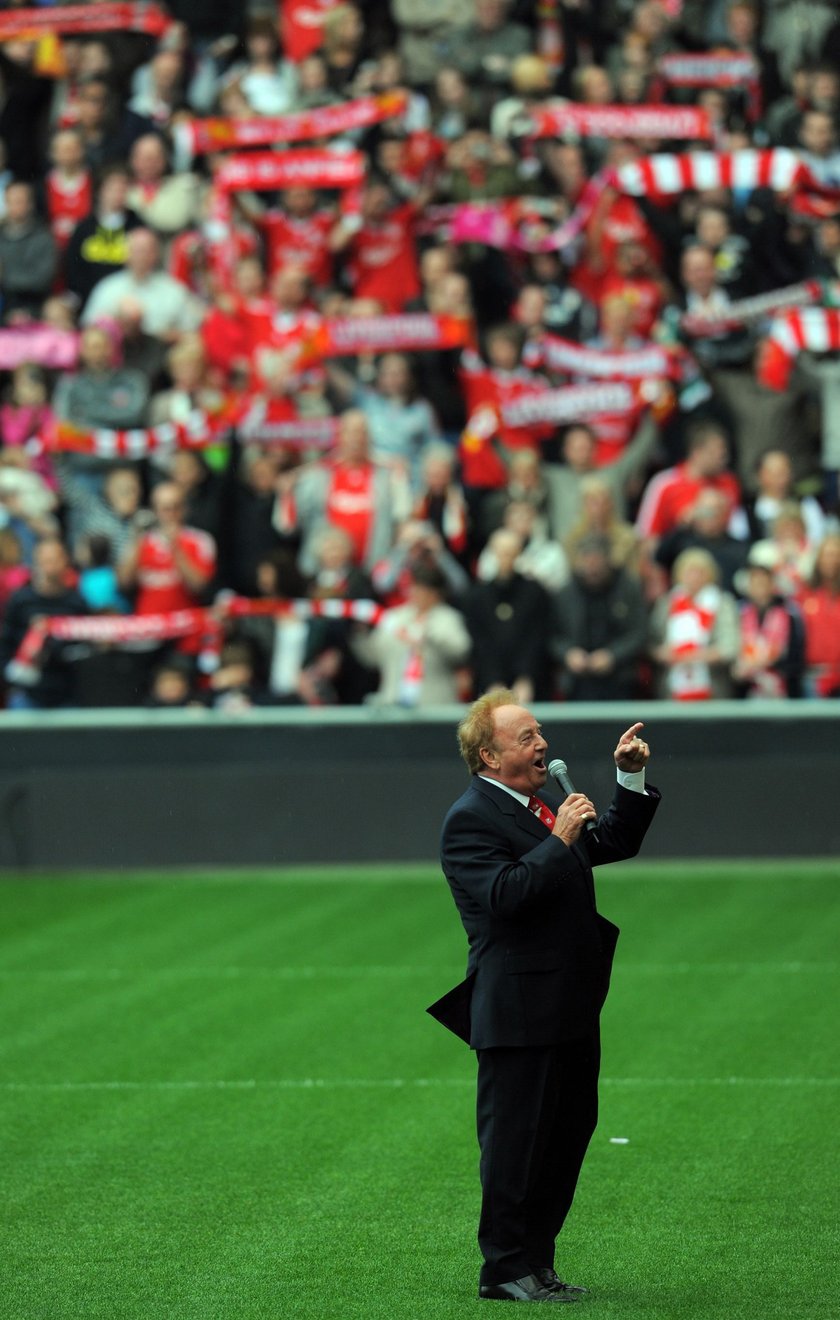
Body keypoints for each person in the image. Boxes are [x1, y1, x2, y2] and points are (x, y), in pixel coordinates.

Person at [430, 692, 660, 1302]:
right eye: (527, 737)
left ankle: (537, 1264)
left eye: (540, 734)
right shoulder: (470, 817)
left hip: (568, 1001)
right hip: (517, 1007)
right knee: (516, 1141)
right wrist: (557, 838)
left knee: (566, 1132)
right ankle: (504, 1268)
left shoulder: (535, 804)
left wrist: (629, 777)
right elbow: (505, 896)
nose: (542, 746)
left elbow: (608, 843)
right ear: (488, 755)